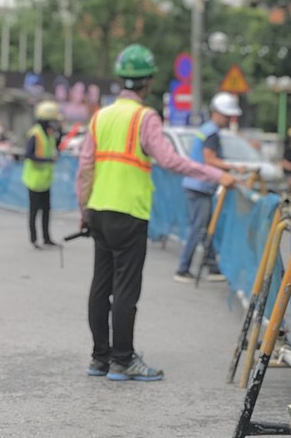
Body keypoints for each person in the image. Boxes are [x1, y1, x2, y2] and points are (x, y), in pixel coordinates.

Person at [75, 44, 237, 382]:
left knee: (99, 285)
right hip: (129, 212)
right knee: (125, 289)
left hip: (99, 210)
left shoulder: (101, 116)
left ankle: (99, 358)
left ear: (122, 79)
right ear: (147, 81)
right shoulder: (144, 117)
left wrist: (84, 209)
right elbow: (170, 160)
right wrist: (216, 175)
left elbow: (85, 166)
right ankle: (123, 360)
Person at [173, 92, 245, 283]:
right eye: (227, 116)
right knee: (198, 228)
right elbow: (209, 159)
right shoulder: (211, 133)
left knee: (206, 227)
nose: (229, 119)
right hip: (199, 186)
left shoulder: (205, 129)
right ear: (217, 113)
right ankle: (183, 268)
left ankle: (212, 266)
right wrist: (232, 168)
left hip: (196, 185)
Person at [23, 101, 62, 249]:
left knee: (46, 210)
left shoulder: (50, 134)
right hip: (34, 180)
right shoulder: (35, 134)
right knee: (34, 211)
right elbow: (28, 155)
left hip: (45, 180)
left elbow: (56, 147)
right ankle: (34, 239)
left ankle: (47, 238)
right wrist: (47, 160)